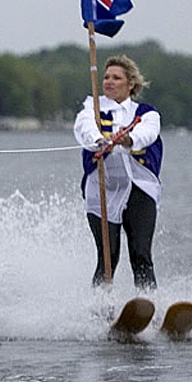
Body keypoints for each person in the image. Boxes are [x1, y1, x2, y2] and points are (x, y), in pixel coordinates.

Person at [74, 54, 163, 289]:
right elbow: (84, 129)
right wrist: (98, 140)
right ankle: (101, 309)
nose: (109, 82)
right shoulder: (91, 109)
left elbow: (148, 134)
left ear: (130, 84)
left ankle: (148, 306)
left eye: (116, 78)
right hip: (102, 189)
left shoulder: (146, 113)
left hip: (140, 189)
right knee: (108, 258)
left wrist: (128, 139)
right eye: (106, 77)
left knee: (141, 254)